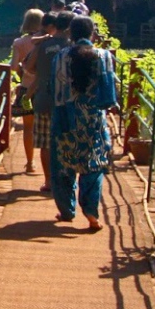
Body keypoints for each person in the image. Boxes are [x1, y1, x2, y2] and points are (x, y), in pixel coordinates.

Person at [51, 15, 118, 231]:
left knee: (63, 165)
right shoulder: (104, 56)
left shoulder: (60, 56)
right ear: (93, 34)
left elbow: (55, 90)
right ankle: (91, 214)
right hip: (93, 120)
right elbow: (108, 94)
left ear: (70, 33)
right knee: (94, 164)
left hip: (65, 118)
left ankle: (66, 210)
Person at [27, 10, 70, 196]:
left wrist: (42, 72)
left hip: (44, 98)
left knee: (46, 142)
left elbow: (28, 66)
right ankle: (64, 180)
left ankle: (48, 181)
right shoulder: (72, 46)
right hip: (66, 102)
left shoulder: (43, 44)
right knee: (66, 141)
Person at [9, 8, 44, 174]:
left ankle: (30, 163)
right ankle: (48, 165)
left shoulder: (19, 43)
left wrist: (22, 70)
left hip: (26, 88)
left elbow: (13, 66)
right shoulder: (45, 41)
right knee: (47, 127)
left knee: (28, 127)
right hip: (44, 89)